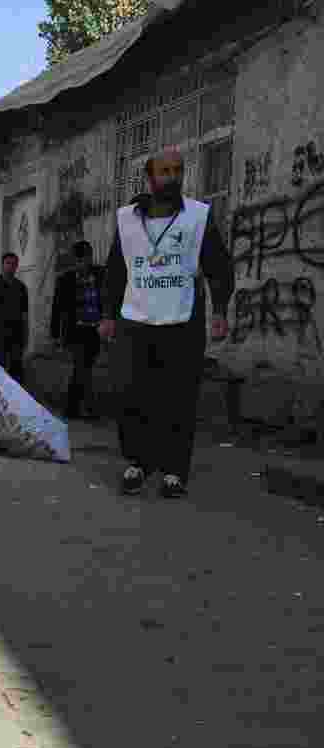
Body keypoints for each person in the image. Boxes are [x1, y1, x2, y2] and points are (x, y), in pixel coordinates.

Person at [99, 148, 233, 498]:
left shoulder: (198, 217)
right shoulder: (128, 219)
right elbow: (116, 271)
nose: (171, 177)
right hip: (135, 319)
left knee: (179, 397)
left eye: (177, 170)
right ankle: (137, 462)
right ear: (150, 177)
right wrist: (107, 315)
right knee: (132, 393)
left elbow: (219, 266)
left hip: (182, 320)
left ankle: (174, 470)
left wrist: (219, 310)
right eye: (164, 171)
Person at [51, 240, 106, 419]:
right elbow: (57, 307)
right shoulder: (65, 279)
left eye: (85, 259)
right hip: (76, 331)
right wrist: (54, 334)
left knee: (84, 368)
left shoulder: (101, 274)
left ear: (90, 257)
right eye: (79, 260)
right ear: (74, 260)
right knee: (82, 367)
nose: (82, 264)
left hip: (95, 330)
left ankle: (74, 408)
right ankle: (82, 408)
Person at [0, 252, 29, 384]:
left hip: (17, 335)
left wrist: (27, 333)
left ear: (17, 266)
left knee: (16, 372)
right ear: (2, 265)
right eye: (8, 263)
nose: (11, 267)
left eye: (14, 264)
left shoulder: (21, 287)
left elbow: (25, 313)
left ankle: (16, 400)